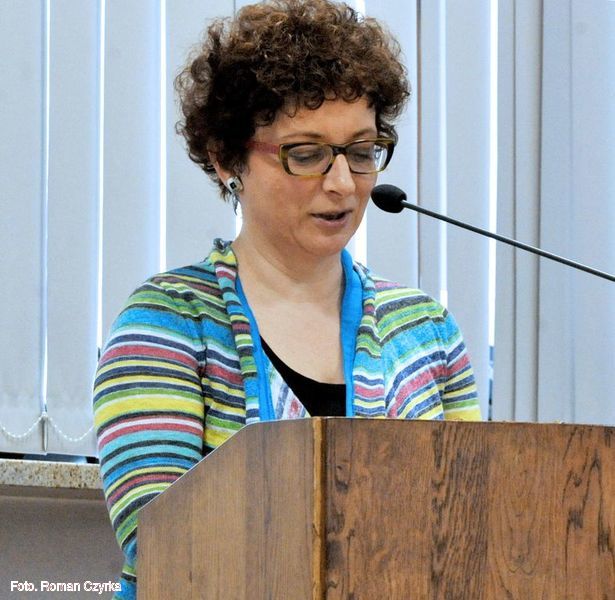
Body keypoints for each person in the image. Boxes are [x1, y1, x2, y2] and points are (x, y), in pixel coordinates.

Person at [93, 0, 481, 597]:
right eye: (306, 154)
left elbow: (470, 525)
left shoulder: (426, 328)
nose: (343, 183)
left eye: (361, 151)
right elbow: (163, 539)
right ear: (226, 159)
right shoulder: (167, 322)